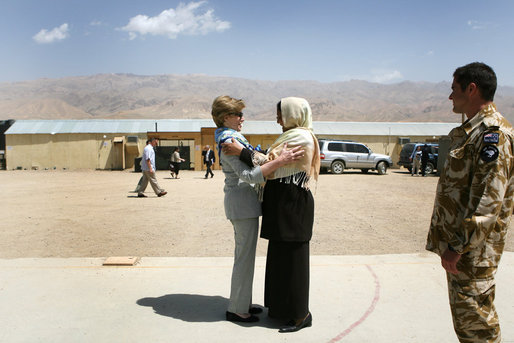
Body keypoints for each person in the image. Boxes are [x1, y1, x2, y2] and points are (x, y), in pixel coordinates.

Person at [426, 62, 513, 343]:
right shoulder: (472, 132)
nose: (450, 97)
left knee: (478, 327)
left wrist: (458, 246)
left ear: (472, 89)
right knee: (468, 325)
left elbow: (488, 202)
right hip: (465, 252)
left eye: (454, 90)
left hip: (473, 253)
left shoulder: (493, 135)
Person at [223, 97, 320, 333]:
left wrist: (241, 151)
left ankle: (300, 315)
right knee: (280, 259)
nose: (277, 119)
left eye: (281, 114)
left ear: (294, 114)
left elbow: (271, 162)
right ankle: (280, 309)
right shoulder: (289, 135)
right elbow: (273, 159)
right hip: (281, 204)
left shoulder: (301, 136)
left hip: (293, 205)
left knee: (294, 261)